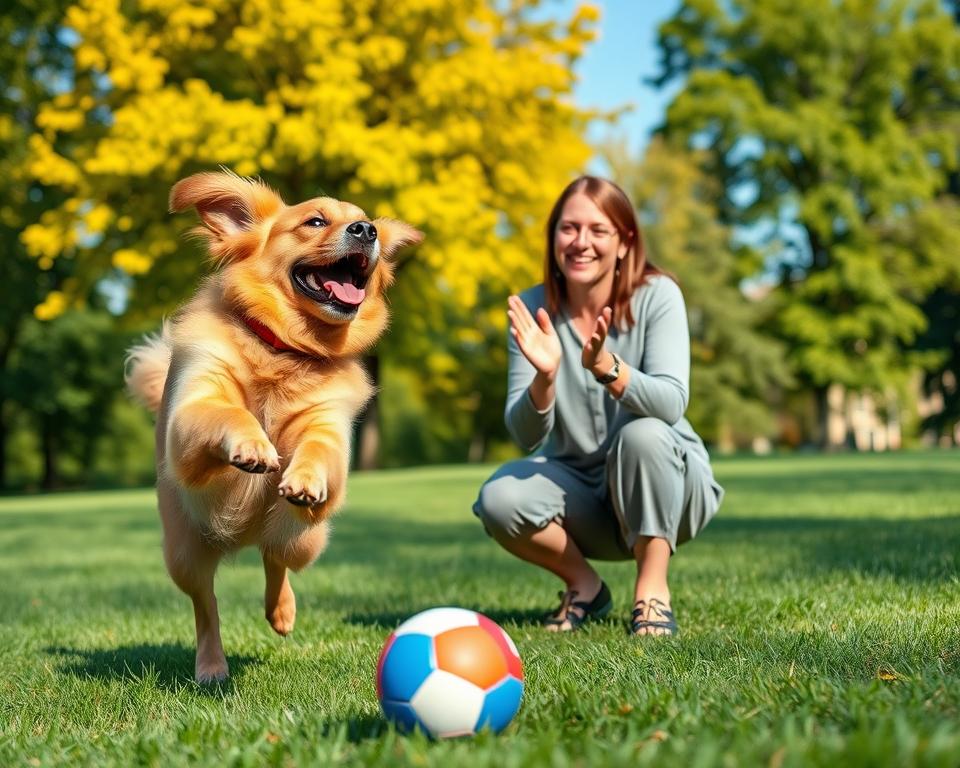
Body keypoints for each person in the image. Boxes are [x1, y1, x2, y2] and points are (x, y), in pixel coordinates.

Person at [473, 176, 724, 636]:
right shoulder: (532, 308)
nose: (580, 243)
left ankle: (652, 591)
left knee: (642, 433)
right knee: (499, 496)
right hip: (583, 494)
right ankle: (586, 587)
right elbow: (525, 435)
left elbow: (671, 403)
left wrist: (608, 367)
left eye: (598, 230)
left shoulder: (658, 295)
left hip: (670, 486)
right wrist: (545, 379)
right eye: (568, 229)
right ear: (552, 238)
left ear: (625, 242)